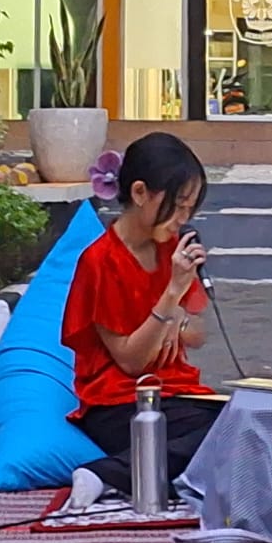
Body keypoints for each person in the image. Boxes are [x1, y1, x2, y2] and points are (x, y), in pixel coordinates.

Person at [61, 132, 219, 508]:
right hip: (119, 401)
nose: (183, 220)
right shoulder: (100, 261)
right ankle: (108, 473)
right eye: (177, 207)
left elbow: (197, 335)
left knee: (248, 420)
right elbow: (131, 360)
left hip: (177, 392)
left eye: (190, 209)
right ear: (139, 193)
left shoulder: (171, 249)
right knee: (224, 435)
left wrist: (179, 316)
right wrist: (170, 296)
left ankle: (135, 476)